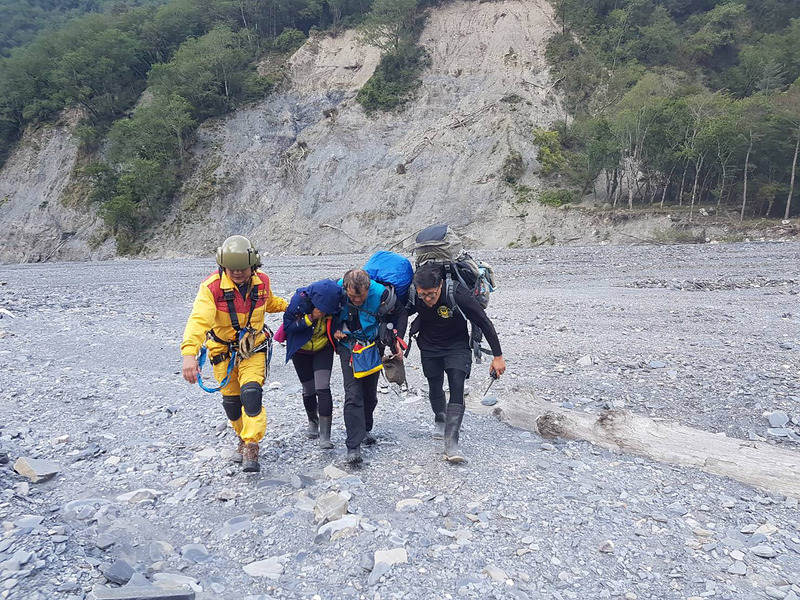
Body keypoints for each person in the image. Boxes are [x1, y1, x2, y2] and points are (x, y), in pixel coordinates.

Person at [181, 235, 288, 472]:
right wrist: (190, 353)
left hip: (253, 348)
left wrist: (289, 306)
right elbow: (199, 320)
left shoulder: (262, 282)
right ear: (222, 266)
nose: (237, 273)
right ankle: (242, 435)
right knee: (231, 402)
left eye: (242, 268)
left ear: (253, 265)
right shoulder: (211, 288)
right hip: (222, 352)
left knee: (251, 393)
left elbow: (268, 303)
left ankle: (251, 443)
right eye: (232, 269)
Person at [408, 263, 506, 463]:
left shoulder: (457, 293)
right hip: (429, 345)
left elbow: (483, 321)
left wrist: (498, 356)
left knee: (457, 386)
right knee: (434, 386)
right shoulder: (413, 295)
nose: (427, 299)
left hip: (457, 345)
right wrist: (395, 343)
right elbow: (399, 314)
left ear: (441, 285)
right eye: (422, 295)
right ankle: (440, 418)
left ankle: (451, 443)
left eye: (432, 294)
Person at [334, 269, 407, 465]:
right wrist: (335, 329)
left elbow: (400, 313)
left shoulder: (382, 294)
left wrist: (398, 339)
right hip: (348, 346)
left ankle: (365, 428)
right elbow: (327, 315)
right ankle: (353, 446)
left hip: (374, 345)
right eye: (352, 296)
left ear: (368, 288)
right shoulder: (337, 292)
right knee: (353, 393)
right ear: (345, 288)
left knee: (369, 393)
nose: (357, 300)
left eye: (361, 296)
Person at [282, 279, 344, 449]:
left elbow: (342, 321)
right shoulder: (298, 302)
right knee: (309, 389)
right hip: (301, 350)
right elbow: (288, 326)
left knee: (323, 388)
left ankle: (325, 436)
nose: (325, 313)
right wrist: (310, 318)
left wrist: (339, 331)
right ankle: (313, 422)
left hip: (323, 348)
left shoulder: (337, 304)